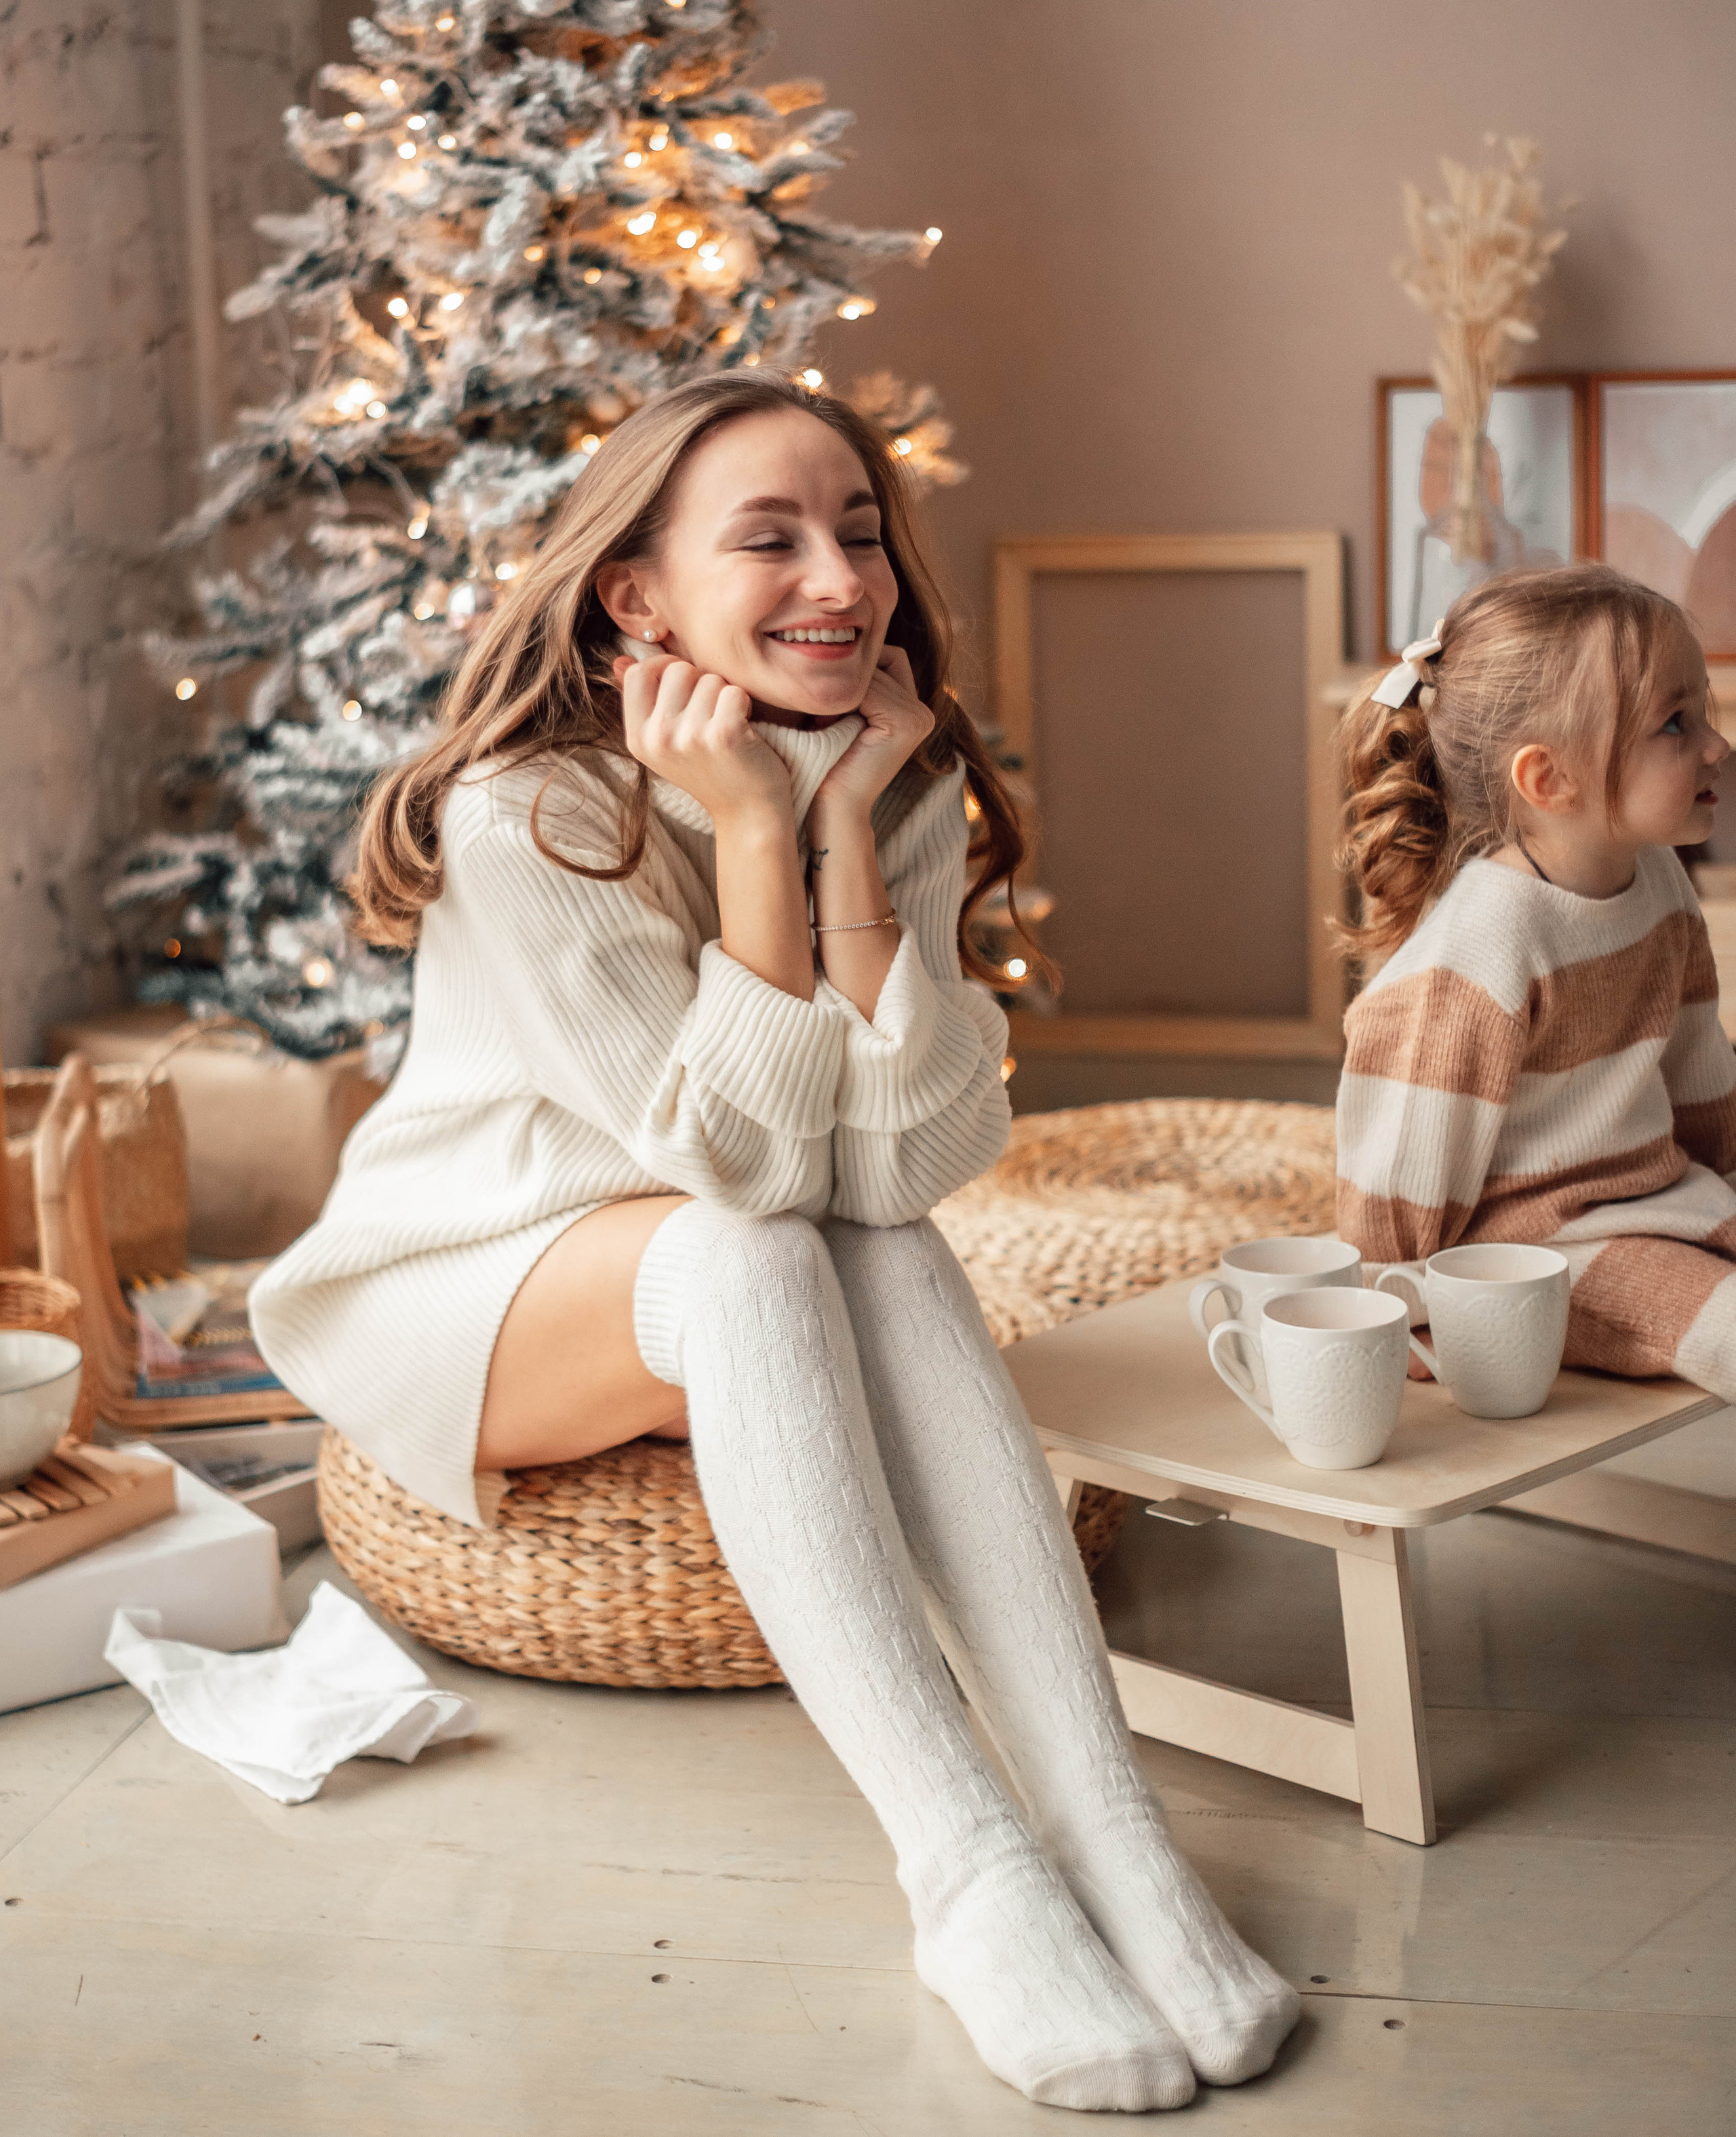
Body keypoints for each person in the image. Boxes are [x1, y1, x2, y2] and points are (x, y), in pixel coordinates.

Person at [250, 375, 1297, 2113]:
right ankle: (968, 1869)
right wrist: (752, 831)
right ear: (636, 597)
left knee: (877, 1255)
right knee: (753, 1253)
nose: (841, 578)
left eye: (860, 531)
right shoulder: (530, 816)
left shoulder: (885, 772)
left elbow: (905, 1172)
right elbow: (740, 1171)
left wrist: (842, 830)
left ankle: (1113, 1837)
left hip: (711, 1234)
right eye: (770, 538)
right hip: (474, 1276)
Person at [1335, 563, 1736, 1394]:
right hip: (1532, 1256)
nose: (1717, 746)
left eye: (1705, 712)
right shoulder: (1484, 943)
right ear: (1547, 779)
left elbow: (1697, 1067)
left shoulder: (1659, 880)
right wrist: (1391, 1304)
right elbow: (1401, 1154)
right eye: (1675, 722)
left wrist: (1723, 1182)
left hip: (1662, 1199)